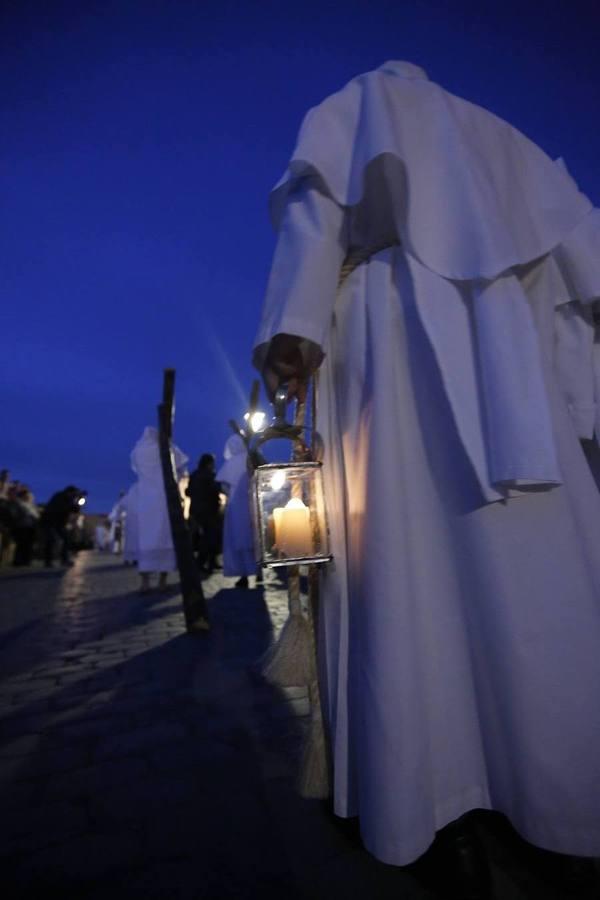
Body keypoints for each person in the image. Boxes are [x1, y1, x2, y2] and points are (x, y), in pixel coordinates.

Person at [253, 60, 600, 892]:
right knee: (530, 582)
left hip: (387, 347)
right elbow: (579, 281)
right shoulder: (509, 149)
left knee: (403, 567)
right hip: (513, 364)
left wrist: (295, 333)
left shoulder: (356, 109)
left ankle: (431, 796)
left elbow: (315, 216)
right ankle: (553, 794)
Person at [130, 426, 187, 593]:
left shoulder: (138, 451)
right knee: (164, 537)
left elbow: (134, 467)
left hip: (146, 501)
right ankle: (162, 581)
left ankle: (145, 582)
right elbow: (181, 466)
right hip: (163, 498)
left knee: (146, 540)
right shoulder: (165, 448)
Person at [216, 434, 256, 589]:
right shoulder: (251, 459)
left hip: (235, 506)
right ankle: (257, 571)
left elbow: (224, 486)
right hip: (251, 504)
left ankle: (244, 575)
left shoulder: (231, 463)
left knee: (238, 538)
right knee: (253, 537)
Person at [186, 453, 222, 574]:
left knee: (203, 537)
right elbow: (216, 489)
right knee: (209, 537)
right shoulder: (210, 476)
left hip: (196, 512)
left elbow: (188, 492)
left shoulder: (194, 475)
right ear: (209, 463)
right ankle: (202, 563)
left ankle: (210, 562)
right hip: (209, 511)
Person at [40, 485, 81, 567]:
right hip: (50, 521)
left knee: (66, 539)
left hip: (58, 523)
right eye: (74, 494)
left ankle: (64, 560)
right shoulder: (60, 496)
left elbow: (75, 510)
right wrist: (74, 503)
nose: (74, 496)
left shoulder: (67, 498)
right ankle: (48, 562)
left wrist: (78, 502)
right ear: (70, 492)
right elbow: (65, 508)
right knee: (51, 540)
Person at [11, 485, 40, 566]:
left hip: (30, 527)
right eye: (28, 496)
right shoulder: (19, 503)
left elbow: (36, 515)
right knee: (21, 544)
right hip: (22, 526)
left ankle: (26, 561)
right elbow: (26, 513)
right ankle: (18, 561)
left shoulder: (31, 505)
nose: (30, 497)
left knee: (28, 544)